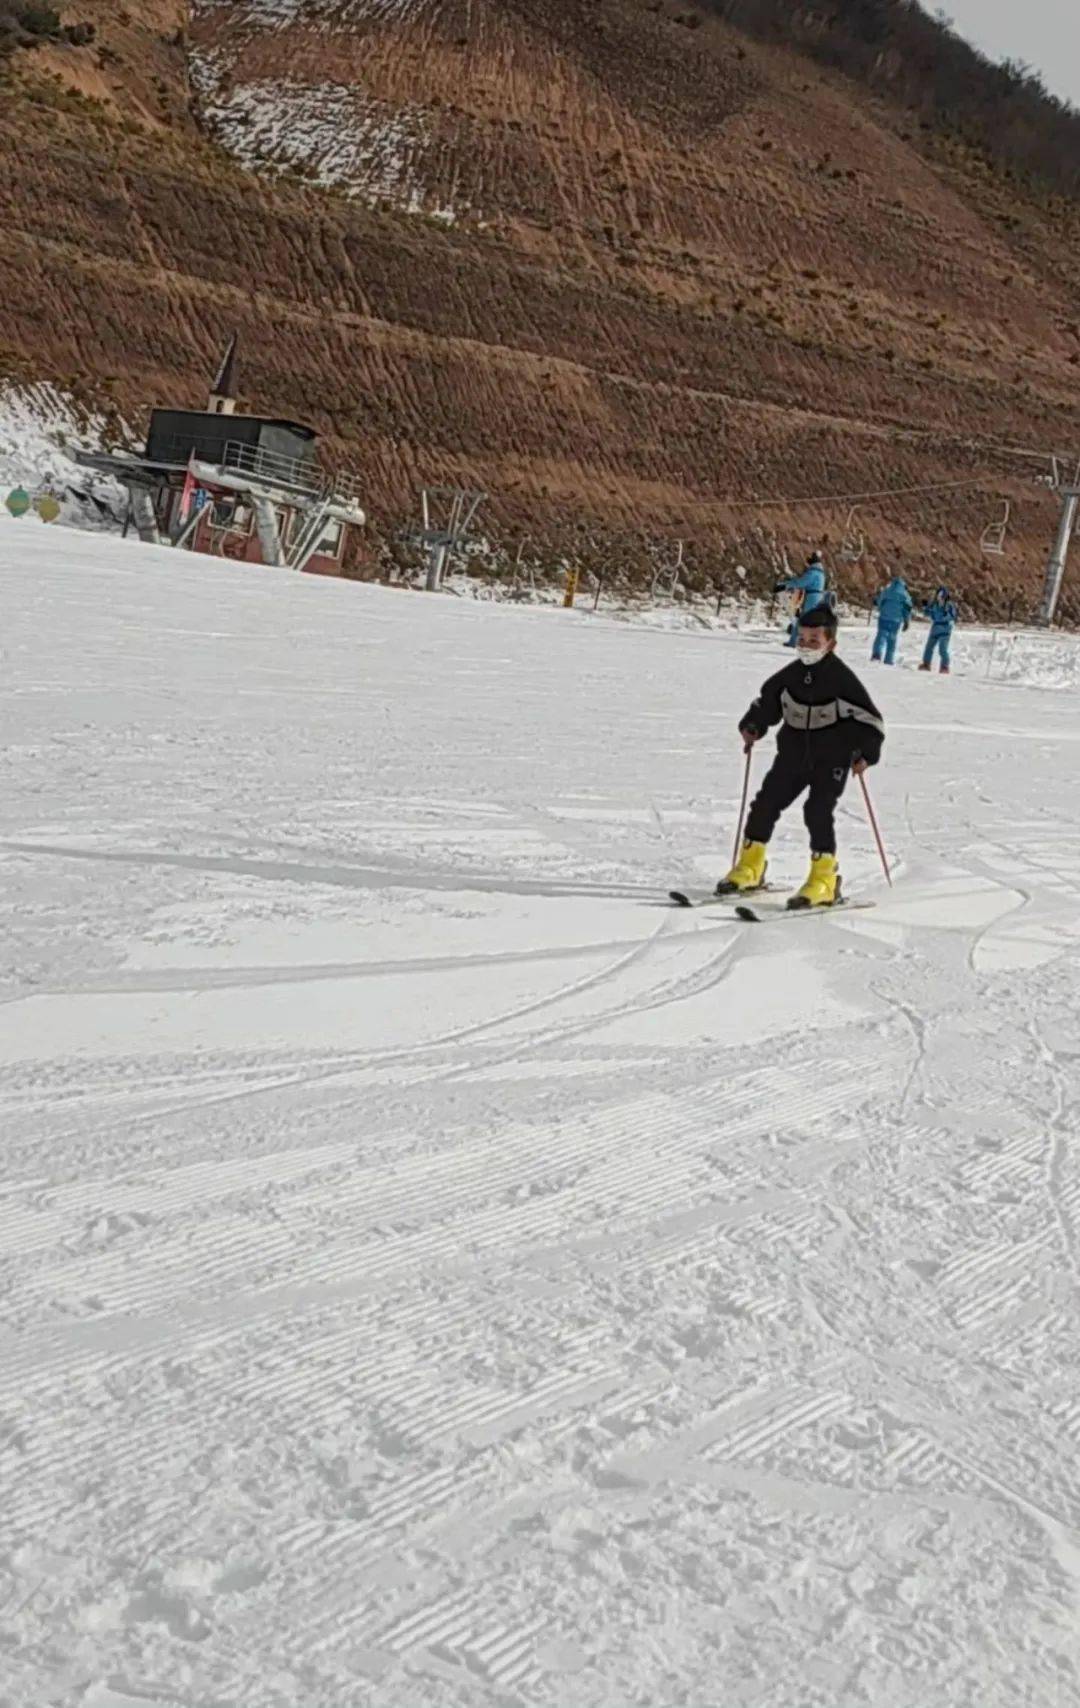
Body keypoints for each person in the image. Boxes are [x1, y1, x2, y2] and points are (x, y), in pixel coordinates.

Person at [717, 605, 885, 909]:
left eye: (814, 640)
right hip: (793, 755)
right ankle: (751, 867)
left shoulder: (842, 680)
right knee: (765, 804)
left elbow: (871, 721)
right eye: (802, 638)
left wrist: (866, 753)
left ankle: (824, 879)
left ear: (830, 644)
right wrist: (753, 724)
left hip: (831, 757)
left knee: (817, 810)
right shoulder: (789, 677)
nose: (806, 646)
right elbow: (767, 703)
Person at [776, 550, 828, 647]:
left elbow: (801, 583)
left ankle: (794, 642)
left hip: (812, 598)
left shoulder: (813, 572)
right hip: (818, 597)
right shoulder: (821, 573)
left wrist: (786, 585)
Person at [871, 574, 913, 665]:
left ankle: (876, 655)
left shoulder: (887, 591)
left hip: (884, 617)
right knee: (892, 640)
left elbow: (880, 601)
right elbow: (907, 609)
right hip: (896, 620)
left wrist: (879, 606)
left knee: (881, 636)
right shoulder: (905, 595)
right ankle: (889, 659)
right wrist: (907, 621)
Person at [920, 586, 957, 674]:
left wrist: (945, 616)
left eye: (942, 596)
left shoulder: (949, 605)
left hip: (945, 629)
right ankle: (926, 664)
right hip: (935, 628)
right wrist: (925, 607)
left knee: (942, 649)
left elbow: (953, 615)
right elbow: (928, 613)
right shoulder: (934, 604)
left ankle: (944, 666)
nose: (939, 598)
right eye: (938, 596)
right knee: (929, 647)